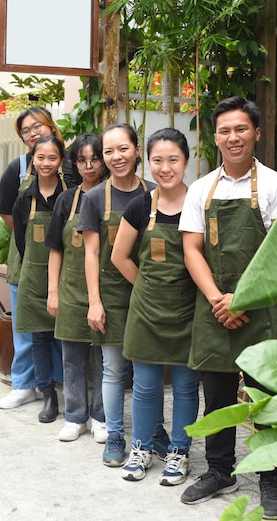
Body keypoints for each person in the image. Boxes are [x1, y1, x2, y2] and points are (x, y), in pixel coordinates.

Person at [178, 97, 277, 519]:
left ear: (256, 133)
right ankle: (220, 470)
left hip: (262, 309)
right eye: (225, 130)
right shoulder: (201, 189)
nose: (233, 137)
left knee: (266, 397)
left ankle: (270, 475)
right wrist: (218, 300)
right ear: (215, 137)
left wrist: (242, 299)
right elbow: (191, 249)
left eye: (241, 129)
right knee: (220, 398)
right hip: (213, 308)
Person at [77, 123, 169, 467]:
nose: (117, 157)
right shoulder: (94, 198)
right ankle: (115, 435)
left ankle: (155, 431)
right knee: (114, 369)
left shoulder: (157, 192)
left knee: (150, 369)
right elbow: (90, 254)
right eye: (109, 152)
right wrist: (95, 302)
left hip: (151, 296)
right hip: (113, 297)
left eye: (123, 149)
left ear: (136, 150)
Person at [111, 128, 199, 486]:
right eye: (157, 160)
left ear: (186, 162)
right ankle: (142, 447)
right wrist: (148, 287)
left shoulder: (200, 203)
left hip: (190, 312)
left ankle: (179, 451)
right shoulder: (139, 205)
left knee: (186, 387)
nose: (165, 168)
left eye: (173, 159)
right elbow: (119, 256)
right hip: (146, 313)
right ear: (149, 162)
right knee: (145, 387)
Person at [0, 105, 77, 410]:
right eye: (26, 131)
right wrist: (33, 242)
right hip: (26, 260)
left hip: (66, 260)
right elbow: (9, 215)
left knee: (60, 331)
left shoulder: (71, 166)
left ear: (51, 127)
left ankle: (57, 384)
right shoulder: (16, 168)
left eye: (37, 127)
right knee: (27, 328)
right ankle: (24, 384)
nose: (32, 134)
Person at [45, 133, 108, 443]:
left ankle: (100, 416)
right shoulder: (67, 200)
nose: (88, 166)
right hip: (70, 291)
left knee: (102, 359)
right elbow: (55, 248)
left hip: (105, 290)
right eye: (81, 160)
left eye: (94, 159)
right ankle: (74, 416)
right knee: (72, 358)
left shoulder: (115, 196)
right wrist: (53, 291)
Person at [13, 135, 66, 423]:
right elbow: (21, 243)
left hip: (68, 279)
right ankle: (48, 394)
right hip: (33, 280)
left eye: (52, 157)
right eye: (40, 157)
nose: (46, 163)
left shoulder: (70, 196)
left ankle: (74, 393)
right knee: (40, 341)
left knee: (72, 340)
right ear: (33, 159)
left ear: (61, 162)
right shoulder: (24, 199)